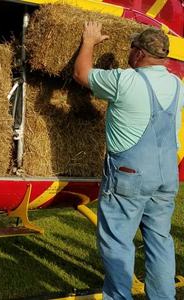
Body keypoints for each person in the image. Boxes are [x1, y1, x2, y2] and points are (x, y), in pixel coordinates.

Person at [73, 22, 184, 299]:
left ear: (140, 54)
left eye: (132, 47)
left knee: (117, 242)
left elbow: (81, 74)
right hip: (166, 176)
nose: (129, 52)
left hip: (129, 175)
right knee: (160, 241)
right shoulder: (177, 84)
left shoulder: (125, 80)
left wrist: (88, 41)